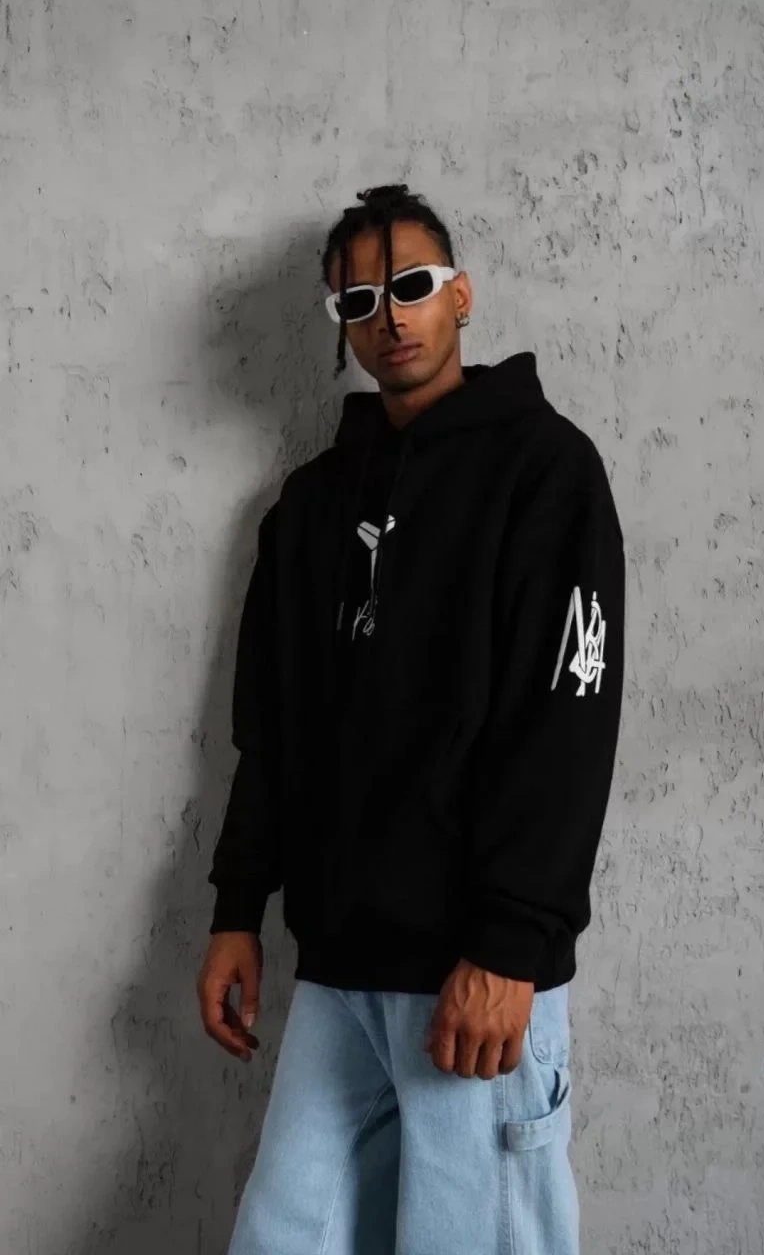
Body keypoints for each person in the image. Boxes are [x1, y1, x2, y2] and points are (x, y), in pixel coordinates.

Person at [197, 183, 626, 1254]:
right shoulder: (308, 507)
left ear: (460, 296)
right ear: (341, 324)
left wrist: (510, 943)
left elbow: (565, 722)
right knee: (278, 1238)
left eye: (413, 286)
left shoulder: (546, 470)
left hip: (474, 972)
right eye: (358, 300)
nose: (388, 315)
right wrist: (238, 905)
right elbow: (272, 724)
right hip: (341, 973)